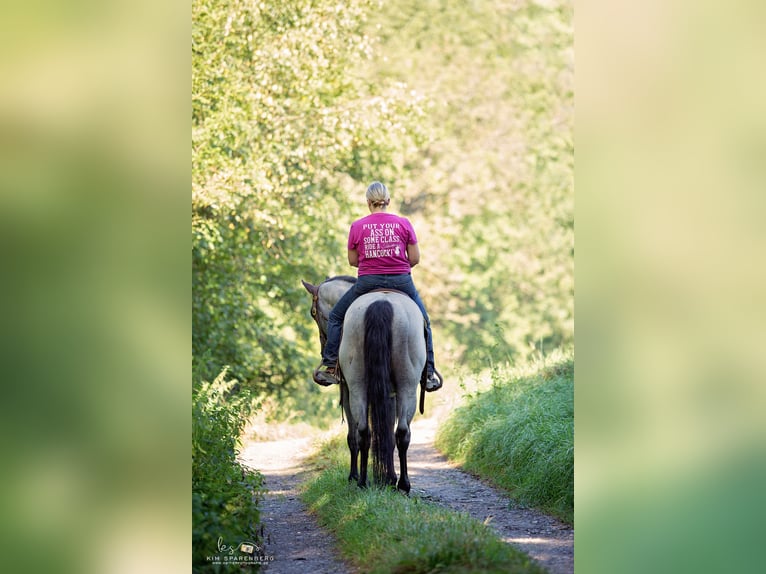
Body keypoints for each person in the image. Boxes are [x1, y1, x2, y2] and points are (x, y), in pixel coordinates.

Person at [313, 181, 443, 391]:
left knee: (336, 317)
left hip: (367, 282)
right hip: (401, 281)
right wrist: (396, 265)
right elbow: (416, 258)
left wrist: (374, 262)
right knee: (425, 322)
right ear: (388, 201)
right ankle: (428, 373)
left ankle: (330, 366)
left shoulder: (357, 226)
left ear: (368, 203)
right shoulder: (403, 223)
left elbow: (353, 261)